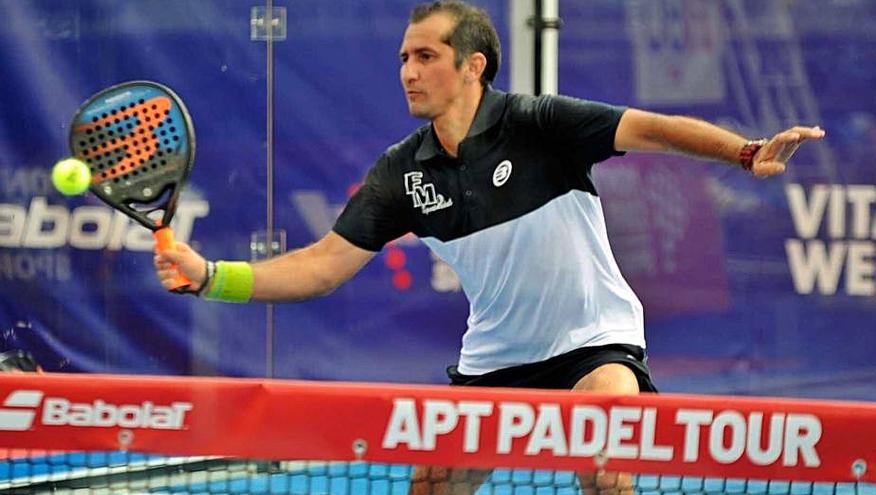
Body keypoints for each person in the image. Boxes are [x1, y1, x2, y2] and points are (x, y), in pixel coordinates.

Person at [154, 1, 824, 493]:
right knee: (431, 487)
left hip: (596, 342)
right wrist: (212, 275)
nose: (408, 72)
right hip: (496, 360)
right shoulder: (403, 172)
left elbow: (652, 128)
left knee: (605, 460)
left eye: (425, 57)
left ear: (472, 65)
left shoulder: (538, 124)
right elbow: (324, 264)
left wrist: (743, 152)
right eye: (403, 59)